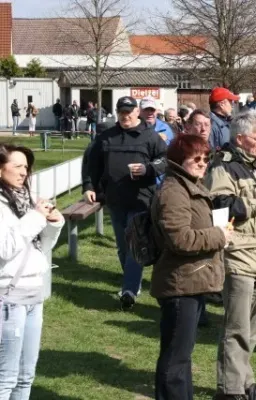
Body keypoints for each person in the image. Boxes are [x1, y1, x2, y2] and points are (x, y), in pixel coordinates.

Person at [205, 110, 256, 399]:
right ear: (240, 138)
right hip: (239, 257)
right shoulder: (223, 167)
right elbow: (220, 208)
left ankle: (244, 382)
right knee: (236, 328)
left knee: (251, 330)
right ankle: (229, 391)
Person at [151, 134, 232, 400]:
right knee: (174, 360)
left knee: (183, 357)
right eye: (195, 158)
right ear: (178, 159)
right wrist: (219, 235)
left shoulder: (191, 184)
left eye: (206, 158)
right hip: (179, 283)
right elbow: (180, 238)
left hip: (192, 281)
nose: (202, 163)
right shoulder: (173, 190)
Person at [84, 96, 167, 310]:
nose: (125, 115)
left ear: (137, 112)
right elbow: (92, 164)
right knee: (122, 247)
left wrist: (148, 169)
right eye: (121, 112)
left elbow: (165, 160)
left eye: (129, 111)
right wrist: (88, 187)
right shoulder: (106, 137)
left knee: (134, 245)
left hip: (141, 200)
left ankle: (129, 290)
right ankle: (133, 280)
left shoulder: (150, 136)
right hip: (115, 199)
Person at [0, 144, 64, 399]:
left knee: (26, 376)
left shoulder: (27, 199)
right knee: (6, 378)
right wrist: (36, 217)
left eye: (26, 166)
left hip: (33, 296)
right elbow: (6, 248)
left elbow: (41, 248)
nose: (23, 172)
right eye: (17, 166)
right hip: (8, 298)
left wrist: (53, 223)